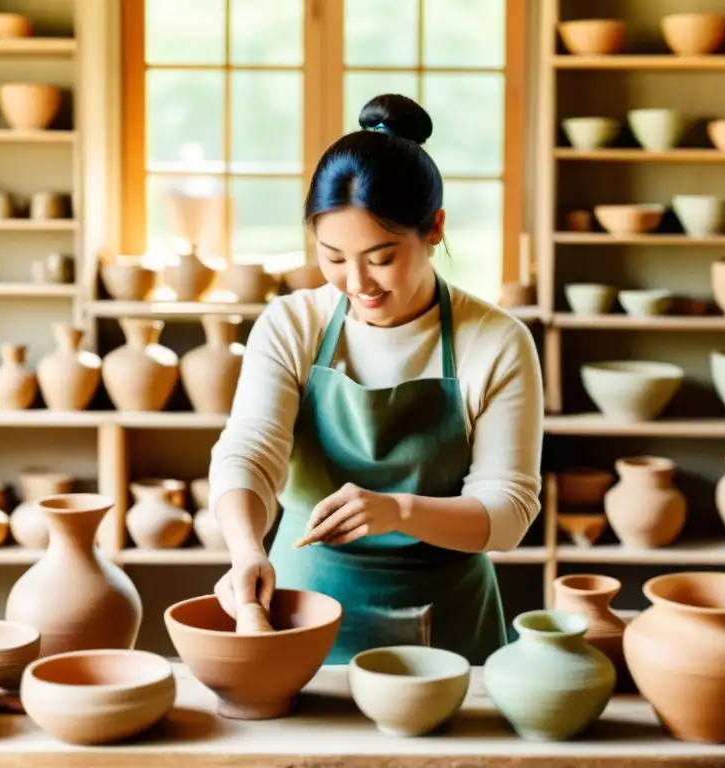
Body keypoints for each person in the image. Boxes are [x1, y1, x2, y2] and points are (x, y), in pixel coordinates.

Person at [207, 93, 544, 665]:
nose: (357, 282)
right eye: (333, 256)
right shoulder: (293, 324)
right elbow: (249, 452)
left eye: (381, 257)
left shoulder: (496, 341)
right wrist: (245, 551)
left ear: (434, 229)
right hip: (305, 605)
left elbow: (508, 512)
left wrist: (398, 511)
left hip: (451, 622)